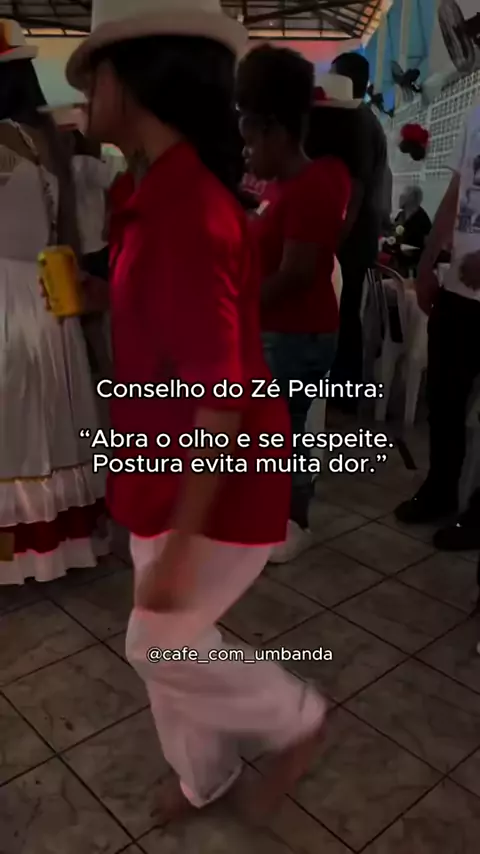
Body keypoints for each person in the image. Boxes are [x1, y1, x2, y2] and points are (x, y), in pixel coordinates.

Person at [65, 0, 327, 821]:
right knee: (165, 645)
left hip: (217, 474)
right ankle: (203, 780)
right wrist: (102, 297)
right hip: (168, 460)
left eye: (93, 75)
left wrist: (183, 537)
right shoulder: (156, 195)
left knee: (157, 639)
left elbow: (221, 395)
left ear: (135, 80)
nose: (83, 94)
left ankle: (294, 717)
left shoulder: (185, 212)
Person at [0, 19, 107, 583]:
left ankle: (12, 550)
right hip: (52, 291)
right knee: (53, 419)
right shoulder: (52, 142)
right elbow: (76, 235)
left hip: (6, 298)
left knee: (14, 429)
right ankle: (61, 539)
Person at [236, 47, 351, 562]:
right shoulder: (281, 187)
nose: (246, 153)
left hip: (296, 332)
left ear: (276, 132)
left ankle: (291, 521)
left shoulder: (314, 184)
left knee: (286, 431)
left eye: (250, 140)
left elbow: (297, 275)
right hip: (277, 328)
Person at [395, 102, 480, 552]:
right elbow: (455, 192)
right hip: (458, 290)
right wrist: (428, 262)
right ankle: (441, 488)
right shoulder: (475, 114)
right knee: (444, 399)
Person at [329, 51, 389, 401]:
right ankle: (344, 389)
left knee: (345, 311)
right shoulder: (366, 121)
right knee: (347, 310)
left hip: (354, 234)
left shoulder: (359, 123)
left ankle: (344, 391)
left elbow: (356, 187)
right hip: (361, 233)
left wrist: (336, 239)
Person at [383, 185, 432, 276]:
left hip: (412, 257)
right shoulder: (402, 215)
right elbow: (397, 233)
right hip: (399, 254)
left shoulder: (422, 218)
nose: (400, 197)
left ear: (411, 198)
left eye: (403, 194)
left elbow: (428, 243)